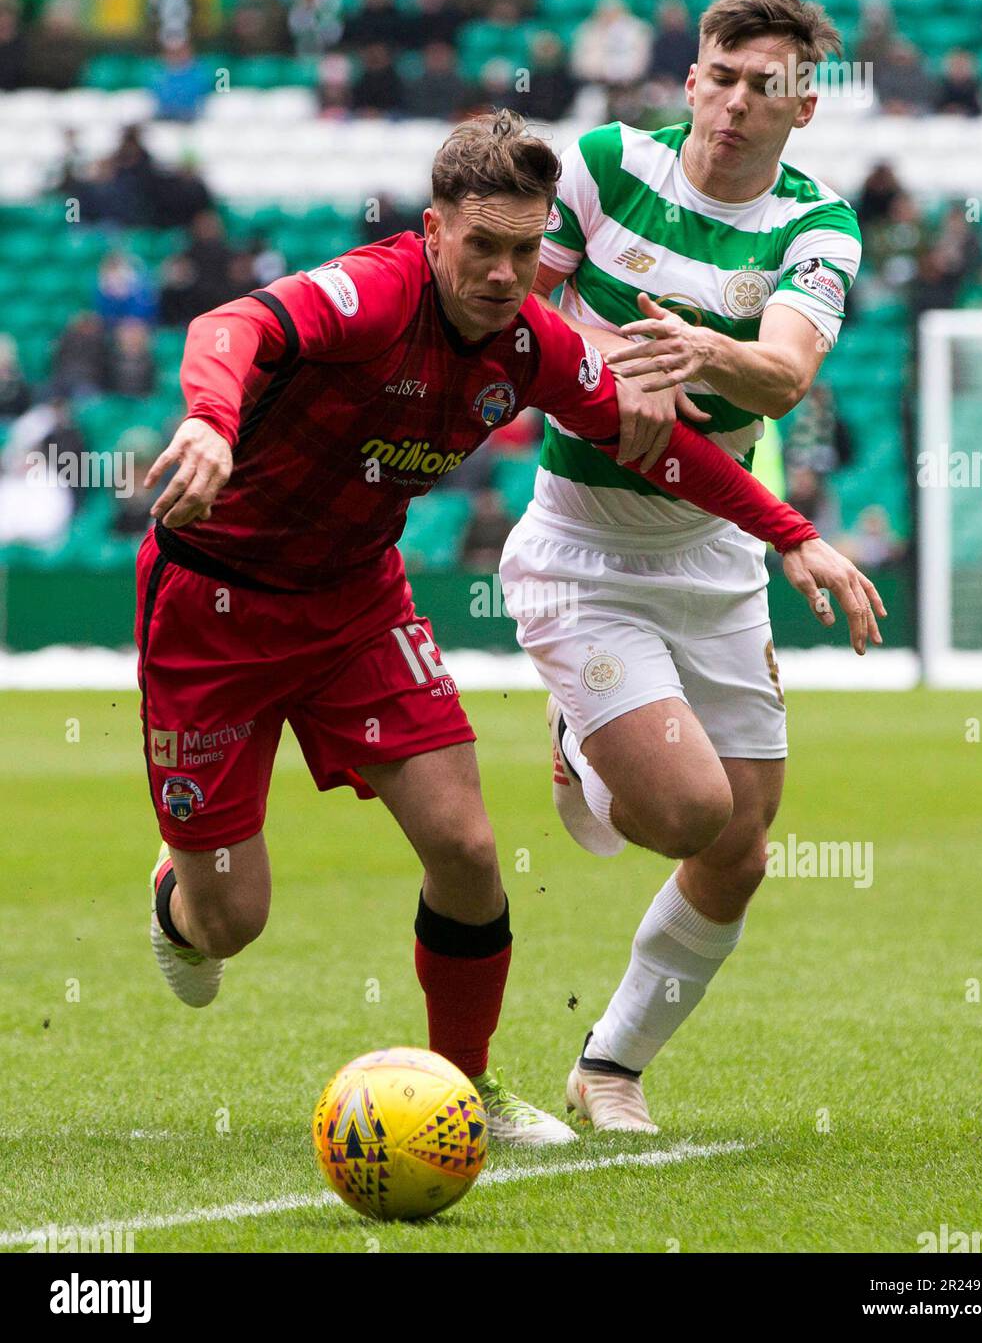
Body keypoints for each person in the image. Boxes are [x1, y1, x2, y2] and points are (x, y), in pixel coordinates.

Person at [136, 109, 879, 1147]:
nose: (501, 272)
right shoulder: (372, 294)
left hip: (357, 602)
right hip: (213, 606)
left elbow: (647, 445)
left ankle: (461, 1087)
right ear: (434, 230)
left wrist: (792, 533)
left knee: (469, 848)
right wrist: (211, 423)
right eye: (480, 246)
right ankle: (180, 893)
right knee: (232, 921)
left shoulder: (529, 340)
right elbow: (231, 327)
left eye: (525, 250)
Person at [498, 0, 881, 1132]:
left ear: (803, 107)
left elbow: (784, 377)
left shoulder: (819, 226)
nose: (733, 103)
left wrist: (694, 349)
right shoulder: (604, 165)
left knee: (741, 851)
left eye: (765, 85)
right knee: (683, 814)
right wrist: (612, 362)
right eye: (719, 75)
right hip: (582, 541)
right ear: (691, 77)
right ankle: (582, 731)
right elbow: (510, 300)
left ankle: (608, 1065)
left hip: (716, 551)